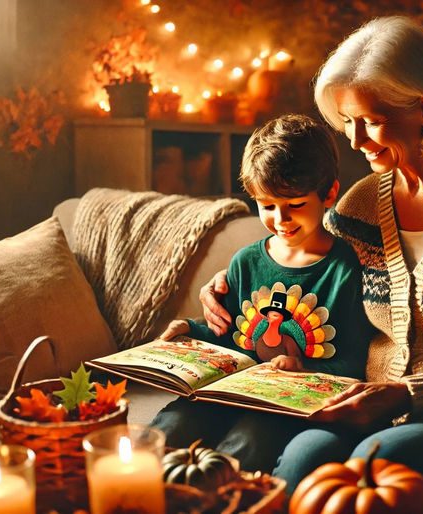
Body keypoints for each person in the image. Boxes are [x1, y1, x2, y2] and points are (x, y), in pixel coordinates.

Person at [200, 16, 423, 494]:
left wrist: (405, 393)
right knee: (303, 458)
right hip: (363, 400)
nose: (355, 140)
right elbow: (302, 259)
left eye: (371, 121)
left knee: (370, 466)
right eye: (347, 121)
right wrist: (230, 283)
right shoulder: (361, 204)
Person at [152, 114, 373, 471]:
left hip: (283, 404)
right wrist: (191, 332)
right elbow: (233, 339)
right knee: (171, 426)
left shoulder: (343, 268)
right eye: (267, 205)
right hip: (227, 392)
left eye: (296, 205)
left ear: (329, 193)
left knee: (249, 441)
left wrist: (300, 367)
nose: (281, 219)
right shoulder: (247, 262)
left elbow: (352, 361)